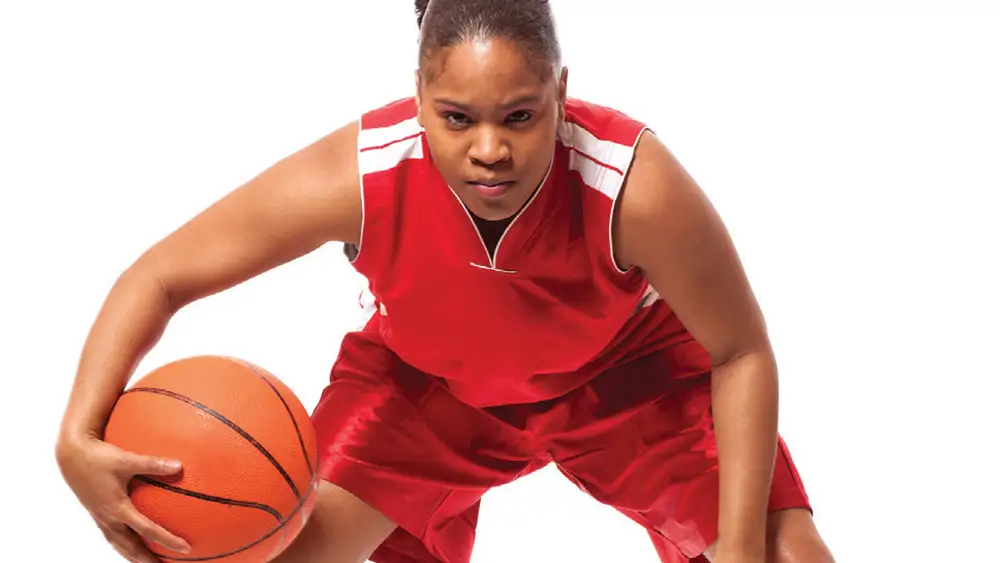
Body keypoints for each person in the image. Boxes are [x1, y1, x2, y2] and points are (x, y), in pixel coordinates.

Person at [55, 1, 837, 562]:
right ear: (420, 98)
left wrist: (739, 546)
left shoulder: (634, 184)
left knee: (789, 554)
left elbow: (740, 350)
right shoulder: (359, 172)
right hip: (430, 391)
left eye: (521, 117)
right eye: (457, 117)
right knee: (277, 547)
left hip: (625, 379)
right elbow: (157, 275)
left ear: (562, 93)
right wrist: (77, 438)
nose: (489, 148)